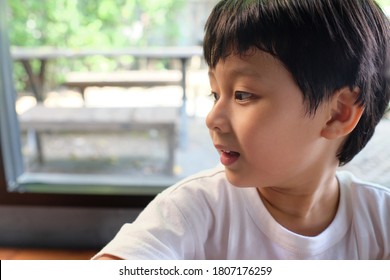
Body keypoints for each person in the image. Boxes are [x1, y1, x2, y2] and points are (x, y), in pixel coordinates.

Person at [94, 0, 390, 259]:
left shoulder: (380, 222)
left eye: (243, 95)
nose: (212, 119)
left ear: (337, 113)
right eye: (215, 94)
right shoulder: (193, 209)